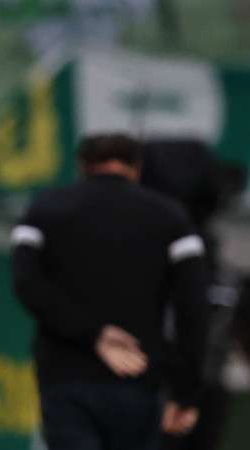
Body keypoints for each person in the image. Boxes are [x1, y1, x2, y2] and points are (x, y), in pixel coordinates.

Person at [11, 134, 208, 450]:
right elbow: (193, 307)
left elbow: (26, 284)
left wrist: (94, 333)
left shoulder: (43, 211)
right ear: (136, 168)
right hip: (138, 379)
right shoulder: (171, 217)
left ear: (82, 167)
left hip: (65, 378)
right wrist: (186, 390)